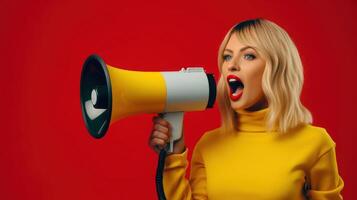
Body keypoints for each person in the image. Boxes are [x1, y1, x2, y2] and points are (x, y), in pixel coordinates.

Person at [148, 18, 344, 200]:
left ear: (277, 68)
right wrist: (173, 153)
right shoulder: (208, 145)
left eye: (248, 56)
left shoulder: (316, 143)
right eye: (227, 57)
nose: (232, 66)